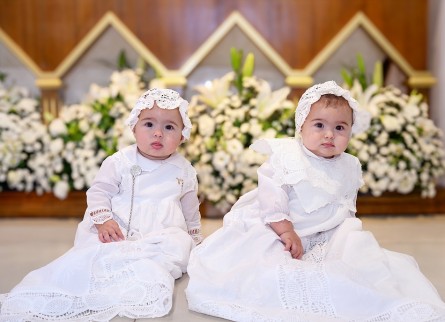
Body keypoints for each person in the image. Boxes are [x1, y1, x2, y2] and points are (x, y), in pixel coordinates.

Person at [186, 81, 445, 321]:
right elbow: (271, 197)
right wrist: (286, 230)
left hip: (328, 230)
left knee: (362, 259)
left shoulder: (350, 165)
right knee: (266, 265)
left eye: (339, 128)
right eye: (319, 125)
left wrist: (341, 237)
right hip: (279, 224)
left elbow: (346, 205)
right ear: (302, 127)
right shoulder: (287, 155)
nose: (329, 135)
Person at [0, 88, 202, 321]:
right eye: (149, 124)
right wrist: (104, 220)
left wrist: (195, 239)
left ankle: (143, 272)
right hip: (119, 227)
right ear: (133, 127)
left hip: (161, 231)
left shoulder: (184, 170)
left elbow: (190, 209)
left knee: (176, 245)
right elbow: (99, 191)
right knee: (100, 255)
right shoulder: (120, 162)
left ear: (183, 135)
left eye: (169, 127)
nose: (158, 133)